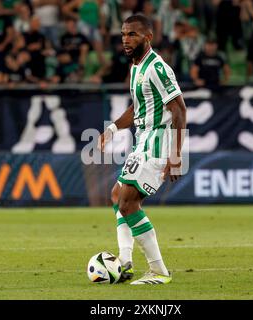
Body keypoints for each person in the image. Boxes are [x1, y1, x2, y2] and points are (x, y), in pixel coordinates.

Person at [97, 14, 187, 285]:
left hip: (157, 143)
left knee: (127, 201)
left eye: (132, 34)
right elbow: (138, 107)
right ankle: (124, 263)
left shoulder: (157, 68)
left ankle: (158, 271)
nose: (126, 39)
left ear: (147, 37)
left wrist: (176, 155)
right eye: (123, 34)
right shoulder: (136, 67)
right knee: (117, 197)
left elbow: (179, 109)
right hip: (142, 141)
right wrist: (112, 129)